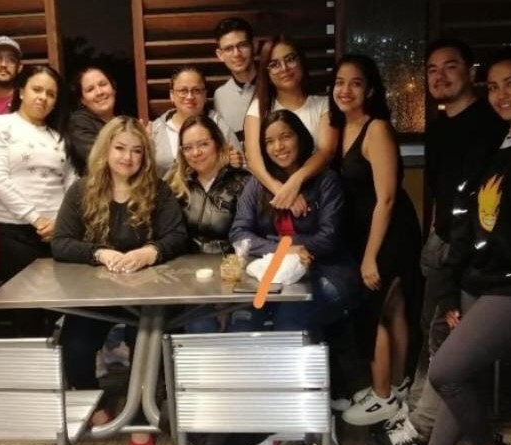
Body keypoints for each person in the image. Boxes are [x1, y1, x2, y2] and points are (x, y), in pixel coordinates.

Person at [385, 46, 511, 445]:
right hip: (481, 274)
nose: (502, 95)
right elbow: (474, 216)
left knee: (446, 370)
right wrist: (457, 278)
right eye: (495, 86)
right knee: (466, 372)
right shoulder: (500, 142)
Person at [368, 39, 506, 445]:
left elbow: (486, 202)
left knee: (447, 339)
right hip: (441, 240)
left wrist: (462, 256)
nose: (439, 76)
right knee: (430, 332)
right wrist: (434, 234)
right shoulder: (443, 123)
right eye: (431, 69)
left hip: (471, 250)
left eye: (450, 66)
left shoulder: (490, 124)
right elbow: (442, 191)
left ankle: (424, 429)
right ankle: (414, 412)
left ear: (470, 71)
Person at [52, 115, 188, 445]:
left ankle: (140, 412)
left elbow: (178, 236)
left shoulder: (158, 190)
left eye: (136, 151)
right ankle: (96, 402)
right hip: (96, 296)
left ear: (145, 156)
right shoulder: (81, 190)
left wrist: (150, 252)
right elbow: (61, 243)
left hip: (146, 296)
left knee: (146, 341)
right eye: (120, 148)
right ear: (106, 149)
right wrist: (99, 253)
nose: (128, 157)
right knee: (75, 343)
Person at [330, 54, 422, 426]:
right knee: (394, 308)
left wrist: (370, 256)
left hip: (389, 232)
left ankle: (382, 395)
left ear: (370, 90)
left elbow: (386, 198)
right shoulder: (341, 128)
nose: (345, 90)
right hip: (365, 232)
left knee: (376, 311)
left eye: (355, 83)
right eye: (340, 82)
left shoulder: (377, 128)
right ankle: (396, 388)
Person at [230, 109, 357, 334]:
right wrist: (284, 249)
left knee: (289, 320)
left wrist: (286, 247)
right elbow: (239, 233)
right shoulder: (258, 184)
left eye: (286, 137)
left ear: (300, 137)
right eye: (269, 141)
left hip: (324, 270)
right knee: (243, 320)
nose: (278, 147)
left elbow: (327, 239)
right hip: (274, 273)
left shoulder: (326, 180)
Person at [0, 64, 75, 335]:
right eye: (37, 89)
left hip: (57, 232)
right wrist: (37, 219)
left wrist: (60, 222)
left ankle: (63, 362)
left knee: (60, 309)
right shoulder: (0, 125)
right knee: (25, 312)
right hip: (15, 232)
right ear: (21, 91)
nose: (43, 98)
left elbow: (70, 182)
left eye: (51, 94)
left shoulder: (58, 135)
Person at [167, 114, 250, 333]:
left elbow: (248, 240)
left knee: (239, 327)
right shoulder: (176, 186)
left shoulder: (243, 182)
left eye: (203, 144)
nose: (196, 153)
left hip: (235, 275)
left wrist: (226, 295)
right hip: (190, 280)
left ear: (218, 143)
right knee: (200, 325)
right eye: (188, 147)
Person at [243, 35, 338, 215]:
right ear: (266, 72)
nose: (284, 68)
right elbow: (254, 160)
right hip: (272, 199)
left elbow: (326, 151)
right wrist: (282, 191)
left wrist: (295, 182)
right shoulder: (258, 108)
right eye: (274, 64)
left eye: (290, 59)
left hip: (319, 194)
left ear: (301, 61)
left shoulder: (323, 105)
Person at [151, 65, 242, 177]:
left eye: (196, 90)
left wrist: (234, 164)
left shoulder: (219, 125)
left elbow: (242, 168)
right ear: (172, 95)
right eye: (183, 91)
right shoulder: (156, 129)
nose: (190, 96)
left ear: (205, 95)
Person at [213, 17, 257, 142]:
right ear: (220, 55)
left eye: (242, 45)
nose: (236, 54)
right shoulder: (220, 95)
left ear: (254, 46)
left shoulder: (275, 82)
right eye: (228, 49)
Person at [67, 66, 117, 175]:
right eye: (90, 89)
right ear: (82, 100)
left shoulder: (122, 122)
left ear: (113, 89)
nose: (99, 92)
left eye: (103, 84)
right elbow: (100, 158)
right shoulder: (78, 123)